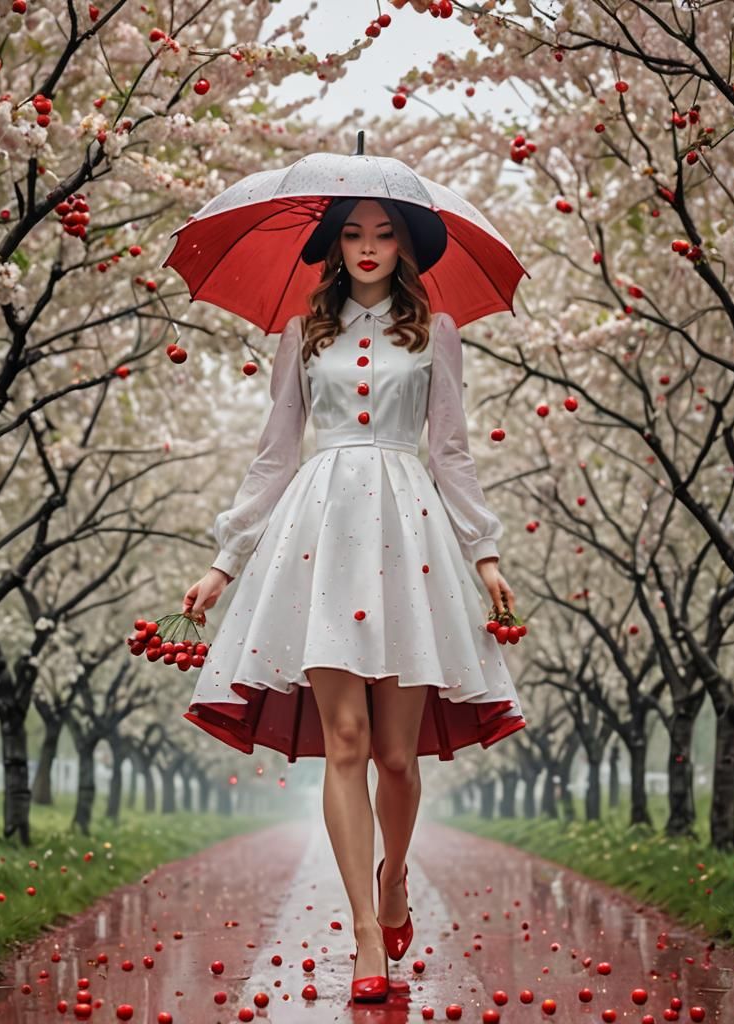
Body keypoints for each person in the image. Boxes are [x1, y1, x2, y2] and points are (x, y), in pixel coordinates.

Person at [181, 196, 526, 1003]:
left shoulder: (437, 332)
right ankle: (367, 931)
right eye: (353, 233)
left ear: (408, 246)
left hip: (409, 537)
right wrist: (224, 563)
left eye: (385, 234)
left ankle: (395, 875)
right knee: (345, 740)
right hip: (321, 535)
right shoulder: (301, 333)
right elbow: (274, 454)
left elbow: (451, 450)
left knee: (396, 757)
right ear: (333, 245)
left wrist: (486, 554)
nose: (369, 247)